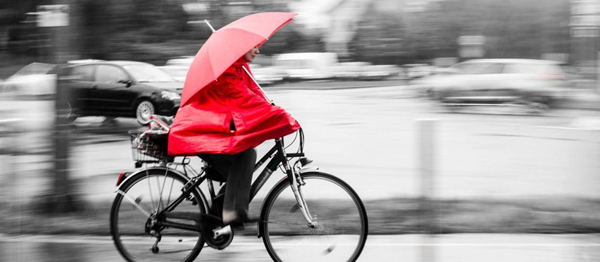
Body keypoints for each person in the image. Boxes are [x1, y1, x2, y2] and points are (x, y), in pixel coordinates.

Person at [168, 45, 301, 229]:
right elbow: (243, 98)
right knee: (246, 155)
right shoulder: (226, 71)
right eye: (254, 47)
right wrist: (278, 115)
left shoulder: (241, 69)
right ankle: (231, 214)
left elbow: (255, 93)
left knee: (245, 159)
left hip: (217, 132)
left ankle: (222, 215)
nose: (257, 51)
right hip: (202, 133)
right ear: (241, 48)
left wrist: (272, 109)